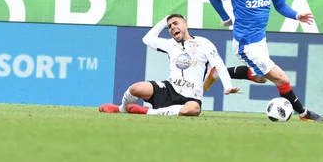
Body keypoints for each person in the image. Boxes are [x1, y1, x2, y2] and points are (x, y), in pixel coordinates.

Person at [204, 0, 323, 122]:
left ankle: (217, 72)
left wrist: (297, 15)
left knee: (259, 78)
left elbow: (280, 5)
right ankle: (303, 113)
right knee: (282, 78)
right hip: (245, 45)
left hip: (260, 40)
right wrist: (225, 17)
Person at [99, 14, 240, 116]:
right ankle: (122, 109)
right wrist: (164, 20)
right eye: (170, 26)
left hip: (191, 96)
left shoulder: (203, 43)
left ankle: (147, 112)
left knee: (193, 110)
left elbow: (219, 65)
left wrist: (228, 86)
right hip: (169, 89)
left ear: (186, 25)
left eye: (176, 23)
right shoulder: (170, 44)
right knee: (136, 88)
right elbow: (147, 39)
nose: (172, 27)